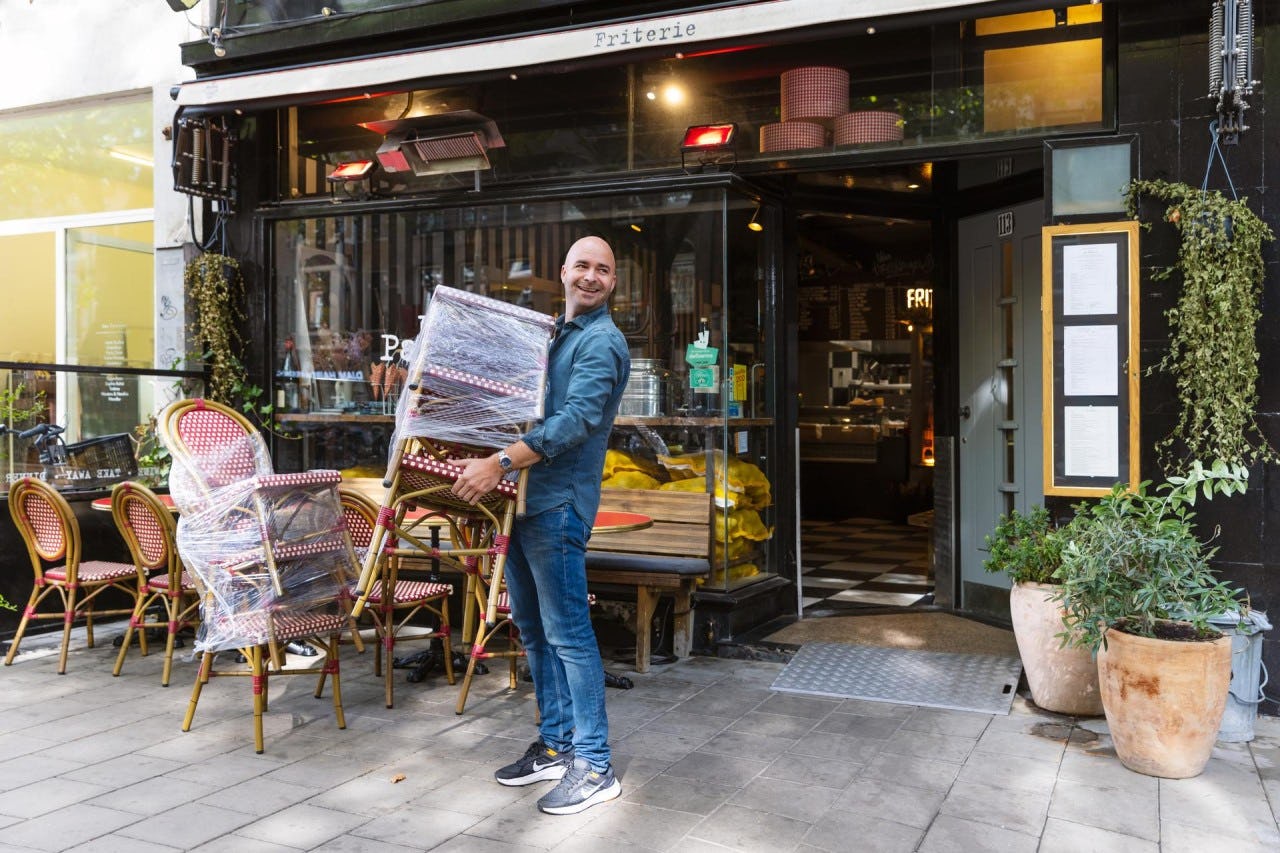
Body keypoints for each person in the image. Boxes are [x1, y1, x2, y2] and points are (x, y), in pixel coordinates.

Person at [452, 235, 630, 815]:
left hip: (556, 506)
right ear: (564, 272)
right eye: (583, 265)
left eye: (603, 270)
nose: (591, 276)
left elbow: (576, 421)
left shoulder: (601, 342)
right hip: (525, 504)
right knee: (532, 629)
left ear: (612, 282)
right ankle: (557, 743)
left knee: (570, 637)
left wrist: (498, 461)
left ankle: (595, 765)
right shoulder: (555, 334)